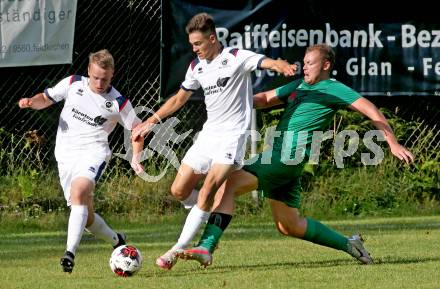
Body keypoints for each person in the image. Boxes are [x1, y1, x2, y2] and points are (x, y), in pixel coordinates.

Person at [178, 43, 415, 267]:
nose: (305, 67)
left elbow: (370, 109)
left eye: (311, 63)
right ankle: (350, 244)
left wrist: (392, 142)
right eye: (304, 62)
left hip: (284, 158)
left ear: (326, 65)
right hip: (285, 161)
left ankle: (206, 246)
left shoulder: (333, 88)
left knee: (227, 184)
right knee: (289, 225)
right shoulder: (299, 85)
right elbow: (265, 98)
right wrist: (231, 102)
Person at [131, 12, 296, 270]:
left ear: (212, 38)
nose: (194, 49)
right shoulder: (196, 67)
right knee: (179, 190)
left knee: (209, 188)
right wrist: (150, 122)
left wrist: (280, 65)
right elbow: (178, 99)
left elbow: (264, 62)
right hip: (209, 135)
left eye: (198, 44)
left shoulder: (235, 57)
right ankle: (204, 212)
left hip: (233, 137)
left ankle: (176, 249)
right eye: (191, 45)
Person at [18, 49, 144, 273]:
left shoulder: (118, 102)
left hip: (94, 153)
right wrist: (31, 102)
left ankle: (69, 253)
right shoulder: (73, 83)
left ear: (112, 74)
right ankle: (117, 240)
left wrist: (136, 157)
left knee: (79, 192)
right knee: (86, 216)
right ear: (88, 71)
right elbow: (46, 98)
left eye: (104, 79)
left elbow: (137, 128)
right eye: (95, 77)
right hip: (65, 155)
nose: (99, 83)